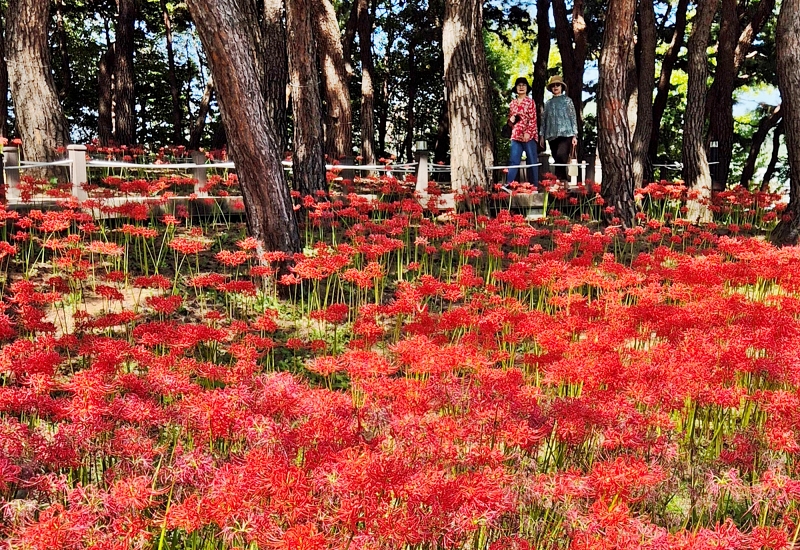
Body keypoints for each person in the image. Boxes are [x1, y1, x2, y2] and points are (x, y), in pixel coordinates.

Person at [539, 75, 578, 182]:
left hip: (566, 134)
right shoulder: (548, 103)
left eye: (558, 85)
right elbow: (544, 121)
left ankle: (560, 179)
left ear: (561, 87)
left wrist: (575, 135)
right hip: (551, 135)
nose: (555, 87)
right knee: (556, 158)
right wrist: (541, 136)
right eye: (553, 85)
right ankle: (561, 181)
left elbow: (573, 117)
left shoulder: (568, 101)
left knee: (562, 156)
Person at [506, 77, 539, 187]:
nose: (521, 87)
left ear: (527, 88)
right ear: (515, 88)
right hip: (515, 135)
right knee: (513, 161)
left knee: (532, 161)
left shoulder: (530, 102)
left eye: (523, 85)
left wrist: (528, 132)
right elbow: (510, 121)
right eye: (519, 85)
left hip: (529, 136)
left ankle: (534, 186)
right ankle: (509, 185)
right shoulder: (512, 103)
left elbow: (533, 118)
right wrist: (510, 121)